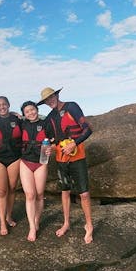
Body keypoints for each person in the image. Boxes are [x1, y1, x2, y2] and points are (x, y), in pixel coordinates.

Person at [37, 87, 94, 244]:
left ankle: (89, 225)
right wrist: (49, 149)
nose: (50, 101)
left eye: (51, 97)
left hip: (78, 156)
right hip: (62, 160)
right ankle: (66, 223)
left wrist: (74, 143)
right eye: (47, 100)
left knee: (84, 194)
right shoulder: (49, 118)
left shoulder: (72, 107)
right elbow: (51, 141)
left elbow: (88, 130)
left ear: (57, 95)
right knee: (65, 191)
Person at [19, 101, 53, 242]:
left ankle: (37, 220)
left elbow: (53, 140)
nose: (31, 113)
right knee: (30, 195)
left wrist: (52, 147)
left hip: (41, 162)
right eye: (27, 111)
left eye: (32, 110)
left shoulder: (46, 124)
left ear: (37, 109)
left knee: (39, 194)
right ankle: (32, 227)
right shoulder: (22, 124)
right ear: (24, 114)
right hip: (25, 162)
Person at [0, 96, 22, 236]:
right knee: (2, 191)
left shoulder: (17, 120)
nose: (2, 107)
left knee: (12, 188)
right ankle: (2, 222)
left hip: (15, 158)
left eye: (4, 104)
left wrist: (17, 114)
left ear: (8, 105)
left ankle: (9, 216)